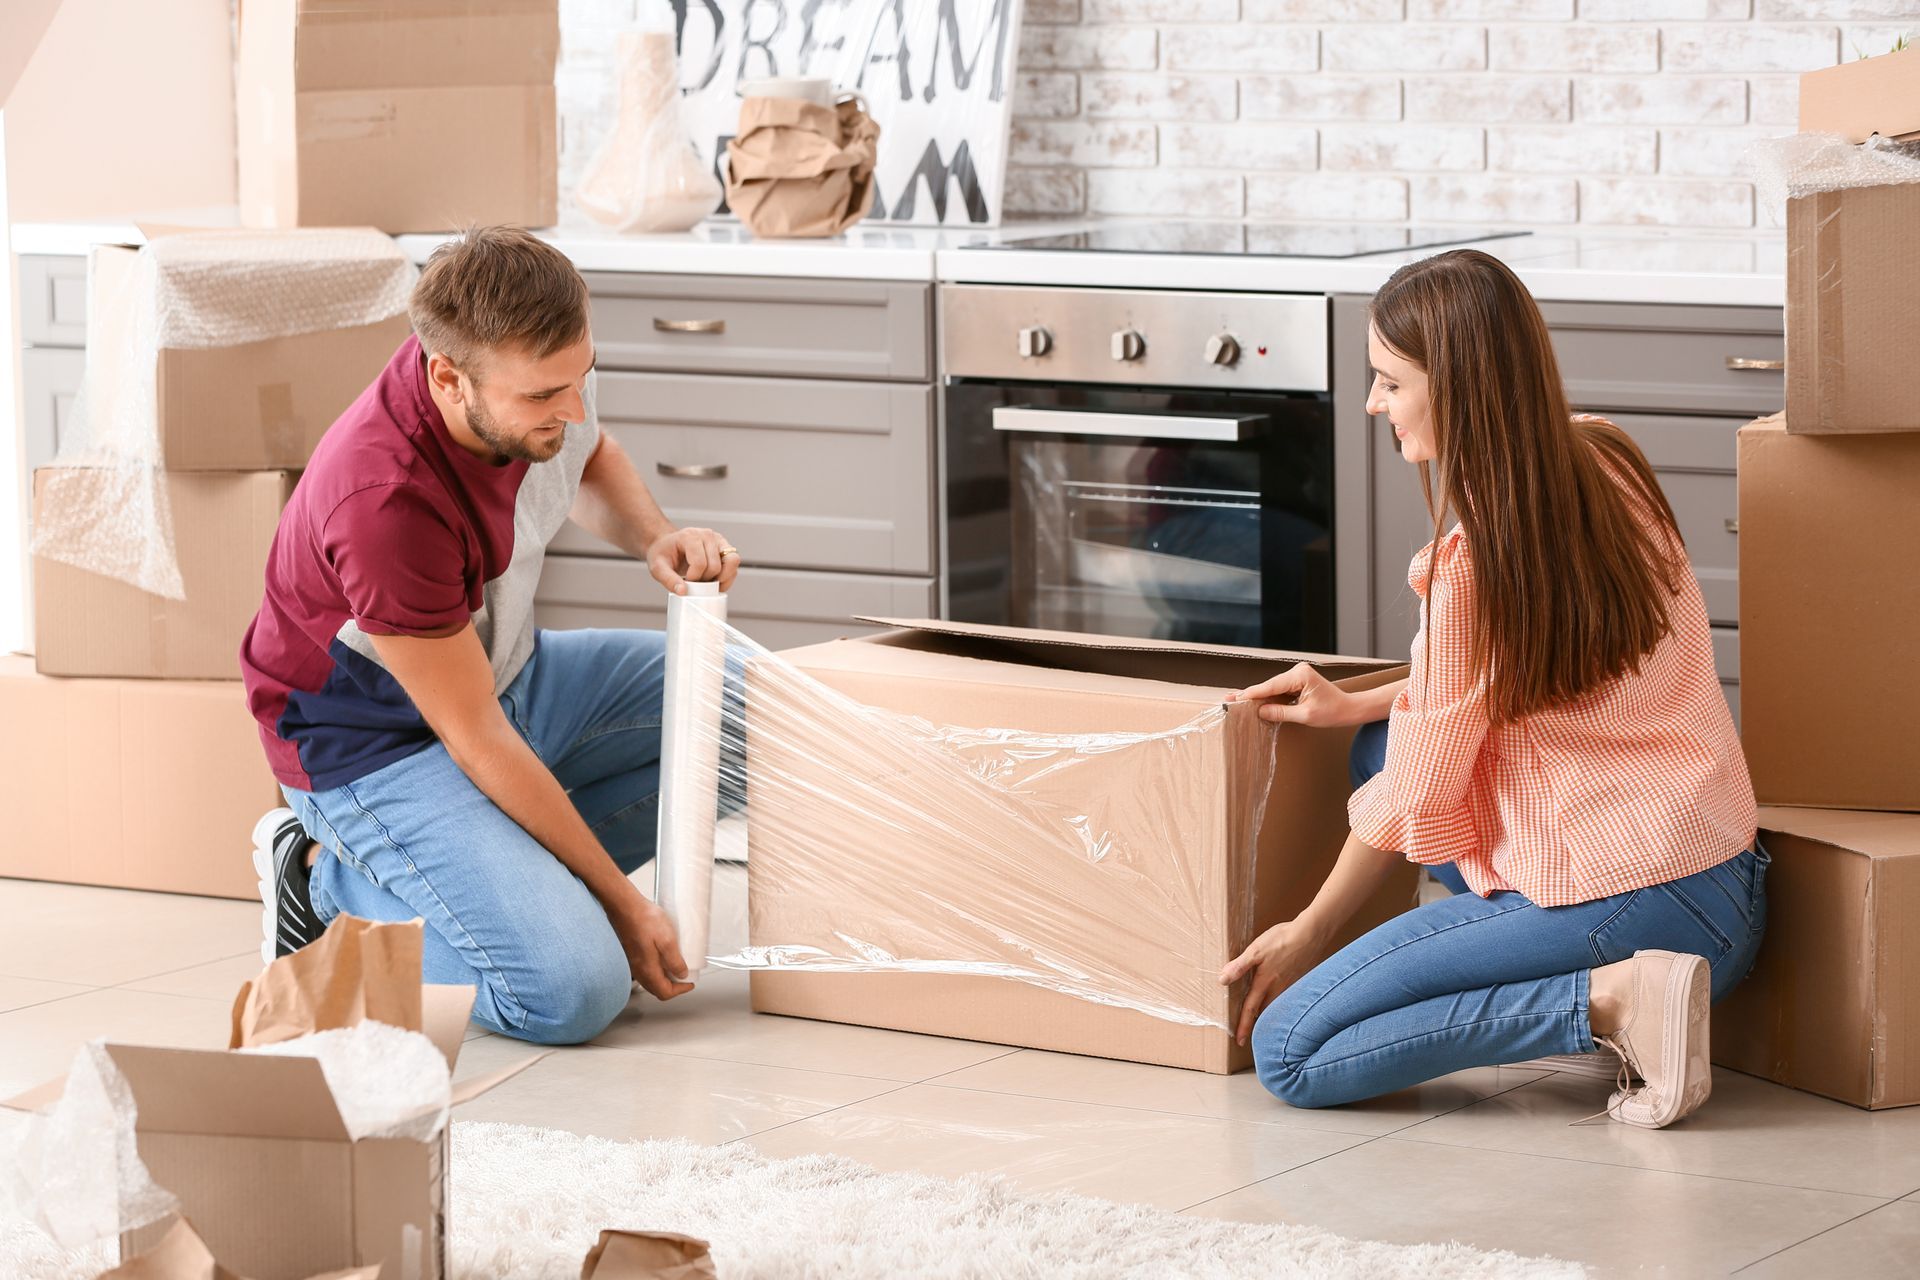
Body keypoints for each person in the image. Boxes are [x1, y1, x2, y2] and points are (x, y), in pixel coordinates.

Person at [1220, 249, 1766, 1130]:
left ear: (1461, 387)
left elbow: (1420, 790)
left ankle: (1613, 1002)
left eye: (1390, 383)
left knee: (1291, 1048)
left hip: (1628, 907)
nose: (1372, 404)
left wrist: (1311, 928)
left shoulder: (1472, 571)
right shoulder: (1604, 459)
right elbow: (1516, 673)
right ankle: (1550, 958)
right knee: (1372, 744)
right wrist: (1357, 703)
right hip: (1722, 887)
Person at [239, 226, 743, 1045]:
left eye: (580, 379)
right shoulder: (383, 505)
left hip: (505, 677)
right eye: (546, 397)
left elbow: (588, 450)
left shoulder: (529, 368)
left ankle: (502, 883)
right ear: (448, 378)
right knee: (574, 990)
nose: (571, 409)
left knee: (745, 701)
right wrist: (623, 902)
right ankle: (327, 883)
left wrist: (654, 534)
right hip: (379, 749)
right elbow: (473, 735)